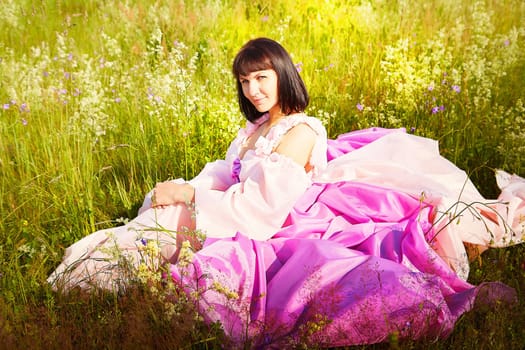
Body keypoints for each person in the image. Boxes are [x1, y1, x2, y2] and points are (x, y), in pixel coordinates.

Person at [49, 38, 525, 347]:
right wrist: (183, 189)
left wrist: (192, 200)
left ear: (281, 74)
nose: (253, 89)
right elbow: (227, 174)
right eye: (244, 81)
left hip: (277, 217)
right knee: (145, 229)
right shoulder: (253, 130)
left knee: (180, 249)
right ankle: (107, 274)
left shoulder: (298, 132)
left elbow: (262, 210)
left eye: (261, 77)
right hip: (236, 206)